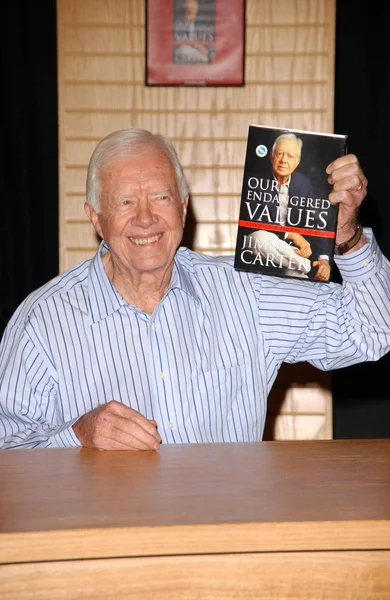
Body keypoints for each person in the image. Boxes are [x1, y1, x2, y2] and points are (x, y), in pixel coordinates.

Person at [0, 128, 389, 450]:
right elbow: (9, 456)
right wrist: (76, 438)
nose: (146, 218)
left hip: (228, 534)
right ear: (96, 218)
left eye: (161, 197)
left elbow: (372, 332)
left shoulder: (246, 292)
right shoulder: (43, 322)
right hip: (108, 540)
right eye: (124, 202)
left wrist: (346, 238)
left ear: (183, 208)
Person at [249, 133, 332, 281]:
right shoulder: (255, 181)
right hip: (268, 245)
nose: (283, 161)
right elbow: (254, 220)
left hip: (287, 254)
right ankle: (307, 267)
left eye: (290, 156)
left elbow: (318, 220)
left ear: (297, 162)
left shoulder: (304, 183)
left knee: (297, 280)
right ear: (271, 157)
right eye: (280, 154)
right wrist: (291, 234)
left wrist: (324, 259)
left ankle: (303, 271)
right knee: (258, 238)